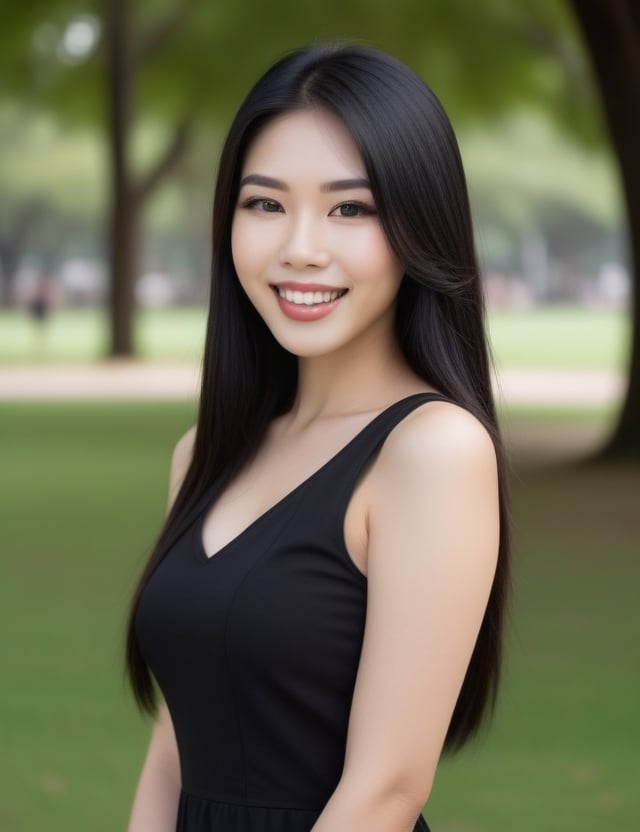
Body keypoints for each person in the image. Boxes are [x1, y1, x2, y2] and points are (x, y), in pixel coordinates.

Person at [125, 43, 510, 832]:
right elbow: (174, 744)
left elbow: (387, 790)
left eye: (351, 208)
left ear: (418, 225)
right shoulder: (204, 453)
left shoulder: (433, 452)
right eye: (264, 204)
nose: (300, 246)